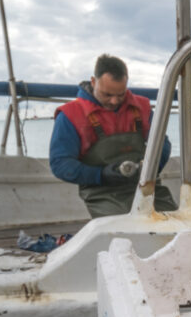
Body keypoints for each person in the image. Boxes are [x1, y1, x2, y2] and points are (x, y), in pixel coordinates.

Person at [50, 54, 176, 217]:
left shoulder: (141, 107)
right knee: (125, 226)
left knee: (173, 220)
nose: (115, 101)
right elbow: (60, 164)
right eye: (107, 95)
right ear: (93, 82)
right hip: (102, 192)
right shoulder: (70, 115)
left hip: (146, 187)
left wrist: (151, 169)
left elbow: (162, 143)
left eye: (121, 94)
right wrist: (100, 174)